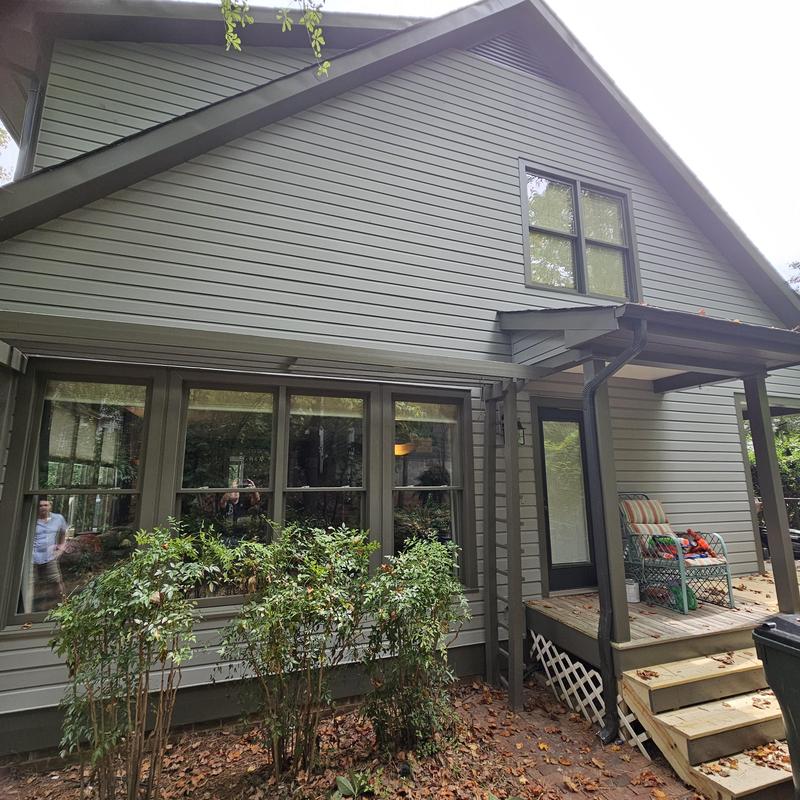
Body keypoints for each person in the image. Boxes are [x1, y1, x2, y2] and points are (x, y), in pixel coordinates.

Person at [33, 498, 68, 611]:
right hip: (32, 558)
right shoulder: (32, 519)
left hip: (50, 556)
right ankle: (30, 611)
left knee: (56, 581)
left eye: (45, 505)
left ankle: (64, 606)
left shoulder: (58, 518)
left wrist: (61, 548)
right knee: (32, 584)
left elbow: (63, 532)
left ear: (50, 506)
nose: (43, 507)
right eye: (40, 506)